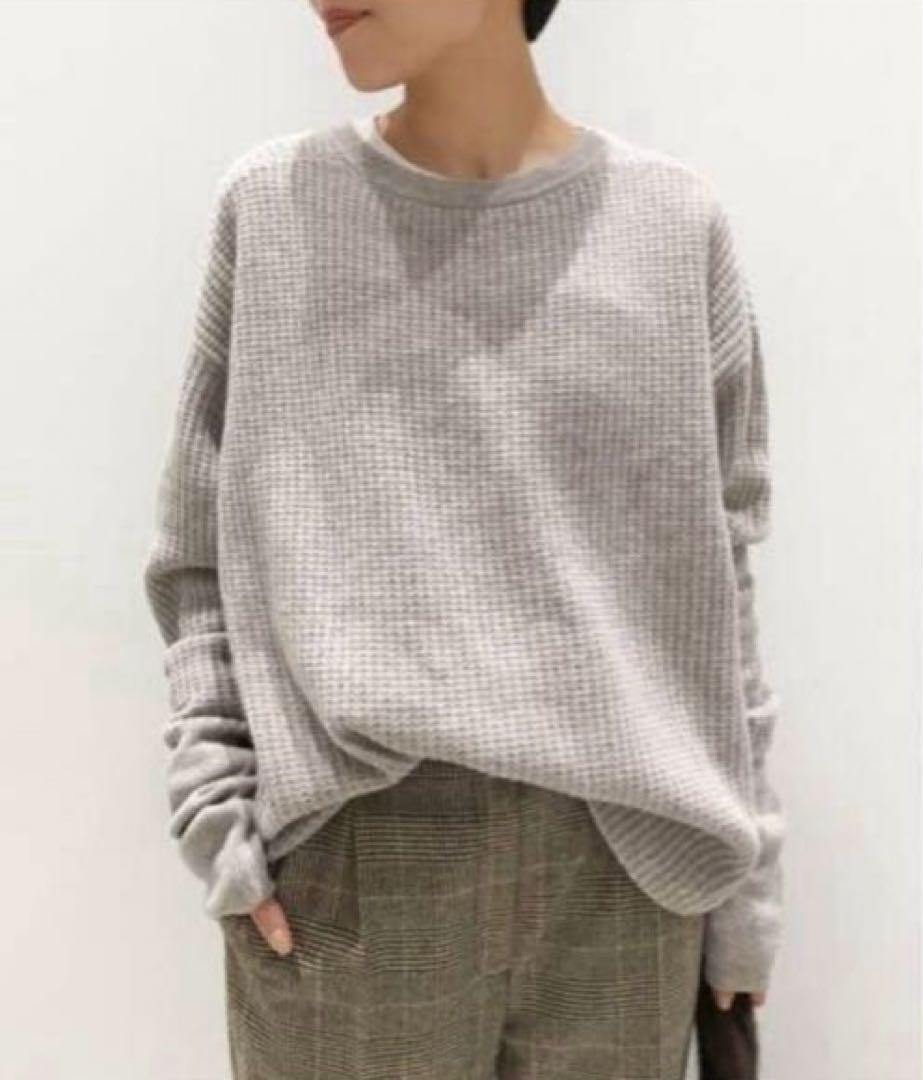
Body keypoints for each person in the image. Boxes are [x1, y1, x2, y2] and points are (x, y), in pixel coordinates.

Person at [141, 0, 786, 1075]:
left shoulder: (674, 227)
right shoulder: (276, 209)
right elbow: (197, 555)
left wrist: (748, 885)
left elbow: (718, 582)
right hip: (354, 864)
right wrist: (219, 815)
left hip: (631, 870)